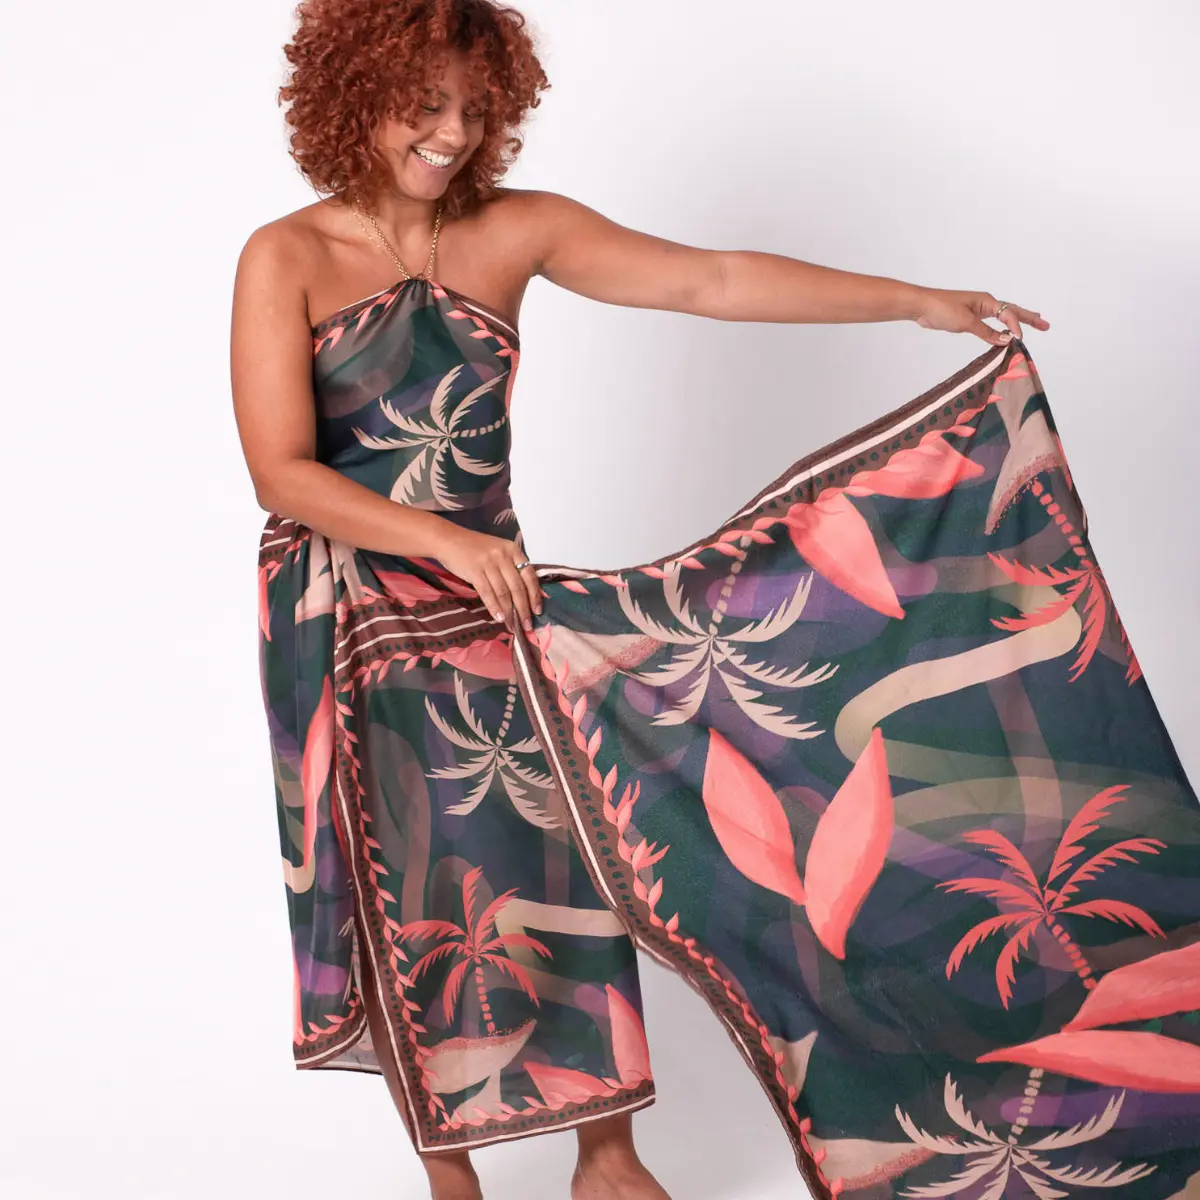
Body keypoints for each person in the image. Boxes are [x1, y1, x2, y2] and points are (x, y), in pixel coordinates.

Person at [230, 3, 1049, 1198]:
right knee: (397, 876)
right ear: (354, 92)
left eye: (475, 108)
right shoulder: (285, 255)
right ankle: (450, 1176)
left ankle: (608, 1160)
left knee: (568, 856)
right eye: (425, 105)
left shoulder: (517, 229)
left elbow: (709, 280)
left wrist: (915, 300)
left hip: (493, 598)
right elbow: (282, 472)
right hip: (346, 606)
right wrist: (441, 542)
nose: (453, 132)